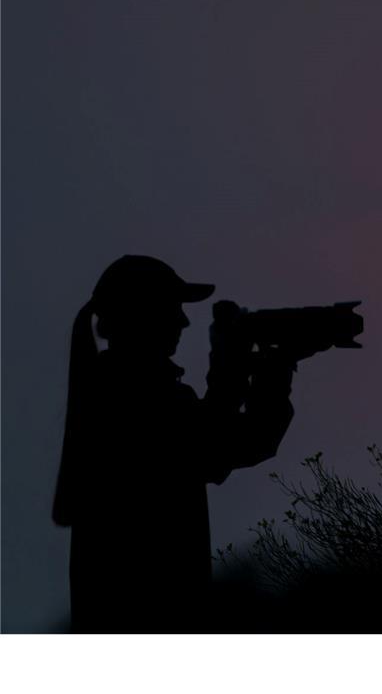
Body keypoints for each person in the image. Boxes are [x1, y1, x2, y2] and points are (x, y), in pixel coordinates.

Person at [52, 255, 296, 632]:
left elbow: (220, 440)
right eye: (172, 309)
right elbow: (226, 446)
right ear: (142, 315)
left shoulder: (111, 390)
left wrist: (242, 369)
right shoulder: (138, 397)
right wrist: (257, 371)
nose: (183, 321)